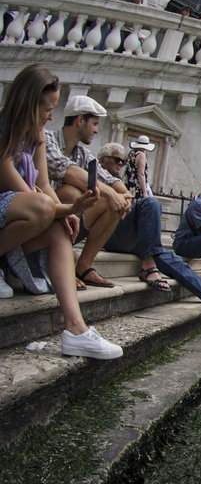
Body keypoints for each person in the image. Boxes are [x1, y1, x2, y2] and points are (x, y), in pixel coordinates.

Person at [0, 64, 122, 358]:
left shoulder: (38, 135)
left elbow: (42, 183)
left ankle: (76, 328)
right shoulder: (3, 129)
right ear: (29, 103)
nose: (51, 116)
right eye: (47, 108)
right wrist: (63, 207)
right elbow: (24, 191)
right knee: (47, 209)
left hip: (25, 213)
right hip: (13, 208)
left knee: (59, 228)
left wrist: (69, 211)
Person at [98, 143, 201, 305]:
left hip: (127, 233)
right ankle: (149, 267)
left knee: (165, 254)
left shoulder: (118, 182)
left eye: (122, 160)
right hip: (107, 233)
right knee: (151, 204)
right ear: (102, 161)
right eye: (116, 159)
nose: (121, 163)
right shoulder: (95, 174)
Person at [45, 95, 131, 289]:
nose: (97, 129)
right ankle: (61, 267)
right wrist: (111, 193)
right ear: (79, 120)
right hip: (43, 217)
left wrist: (124, 195)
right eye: (94, 123)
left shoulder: (83, 153)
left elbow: (109, 179)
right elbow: (66, 170)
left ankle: (83, 266)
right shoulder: (46, 138)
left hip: (70, 219)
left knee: (113, 203)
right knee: (70, 192)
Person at [124, 135, 155, 202]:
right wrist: (144, 192)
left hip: (129, 185)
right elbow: (141, 174)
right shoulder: (141, 155)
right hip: (137, 187)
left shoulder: (131, 153)